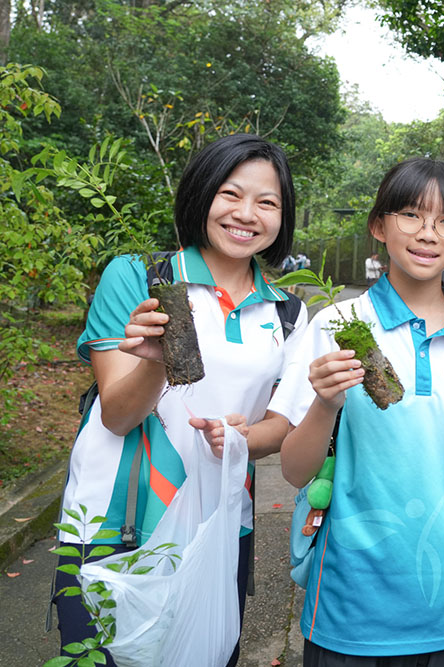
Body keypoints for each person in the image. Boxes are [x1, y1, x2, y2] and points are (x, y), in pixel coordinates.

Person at [55, 134, 307, 666]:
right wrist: (155, 361)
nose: (246, 214)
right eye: (230, 194)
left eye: (267, 203)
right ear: (201, 195)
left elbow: (278, 427)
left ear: (283, 217)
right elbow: (118, 415)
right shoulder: (138, 277)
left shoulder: (288, 312)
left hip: (219, 524)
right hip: (112, 521)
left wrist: (240, 437)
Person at [270, 157, 444, 666]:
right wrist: (325, 403)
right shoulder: (338, 325)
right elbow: (293, 468)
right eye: (411, 215)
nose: (428, 233)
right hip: (353, 604)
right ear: (379, 226)